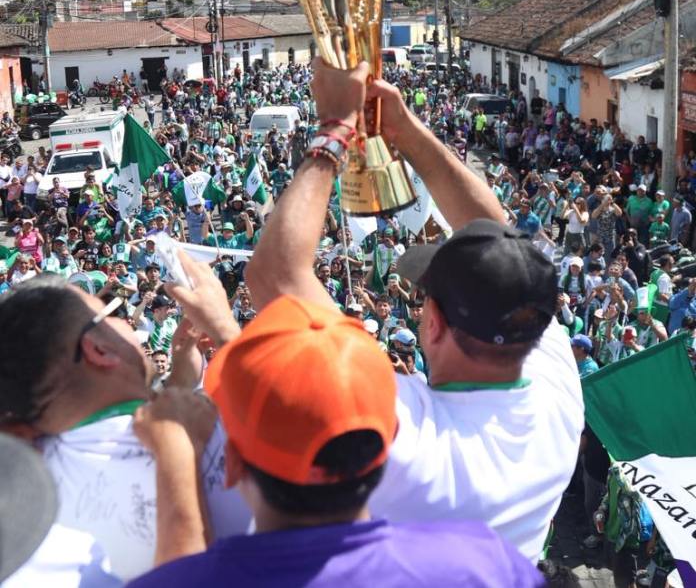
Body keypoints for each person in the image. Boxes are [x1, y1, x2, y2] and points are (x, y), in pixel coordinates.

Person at [242, 59, 584, 563]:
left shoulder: (404, 436)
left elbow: (272, 274)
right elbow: (502, 238)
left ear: (433, 323)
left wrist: (336, 129)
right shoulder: (556, 388)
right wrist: (404, 129)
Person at [129, 261, 543, 588]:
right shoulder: (486, 567)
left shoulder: (173, 578)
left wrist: (176, 451)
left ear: (234, 463)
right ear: (387, 448)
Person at [0, 277, 250, 581]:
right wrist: (228, 332)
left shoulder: (22, 510)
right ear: (99, 350)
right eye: (110, 312)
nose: (127, 324)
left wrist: (182, 383)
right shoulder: (231, 426)